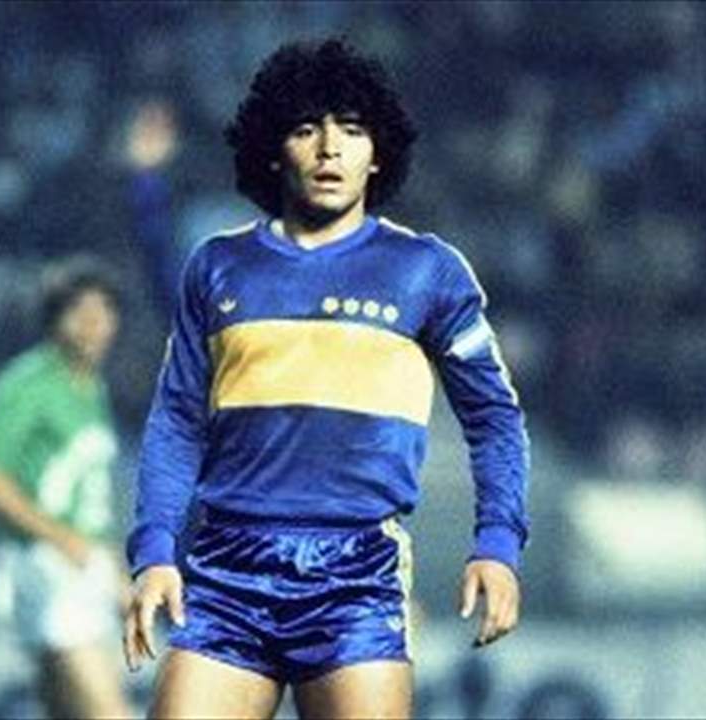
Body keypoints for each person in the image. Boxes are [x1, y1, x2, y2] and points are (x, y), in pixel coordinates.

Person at [123, 38, 530, 719]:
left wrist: (497, 543)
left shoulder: (427, 271)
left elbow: (495, 419)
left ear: (380, 152)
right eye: (307, 128)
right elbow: (177, 422)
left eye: (353, 129)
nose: (330, 148)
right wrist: (155, 551)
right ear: (273, 149)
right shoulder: (217, 267)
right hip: (225, 572)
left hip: (357, 575)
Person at [0, 257, 133, 719]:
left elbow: (88, 493)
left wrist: (111, 568)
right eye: (80, 311)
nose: (94, 324)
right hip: (42, 564)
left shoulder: (92, 388)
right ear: (55, 320)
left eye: (105, 311)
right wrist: (61, 539)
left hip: (84, 566)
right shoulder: (29, 382)